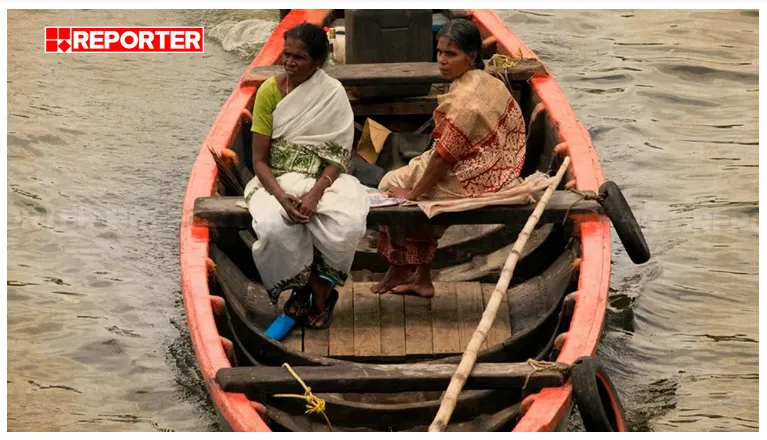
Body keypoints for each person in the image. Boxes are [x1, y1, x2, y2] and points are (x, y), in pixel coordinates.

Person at [371, 18, 527, 298]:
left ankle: (400, 267)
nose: (442, 60)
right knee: (414, 182)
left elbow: (442, 158)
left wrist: (412, 195)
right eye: (440, 52)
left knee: (389, 186)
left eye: (450, 54)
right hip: (499, 167)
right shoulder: (487, 81)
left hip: (476, 179)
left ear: (472, 57)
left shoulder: (465, 100)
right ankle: (420, 278)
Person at [244, 23, 369, 329]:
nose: (289, 62)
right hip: (276, 181)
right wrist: (281, 196)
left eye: (298, 57)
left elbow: (339, 157)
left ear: (318, 62)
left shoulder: (332, 93)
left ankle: (316, 290)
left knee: (346, 223)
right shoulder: (269, 93)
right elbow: (259, 160)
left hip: (325, 181)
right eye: (286, 54)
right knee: (275, 225)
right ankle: (311, 288)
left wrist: (315, 195)